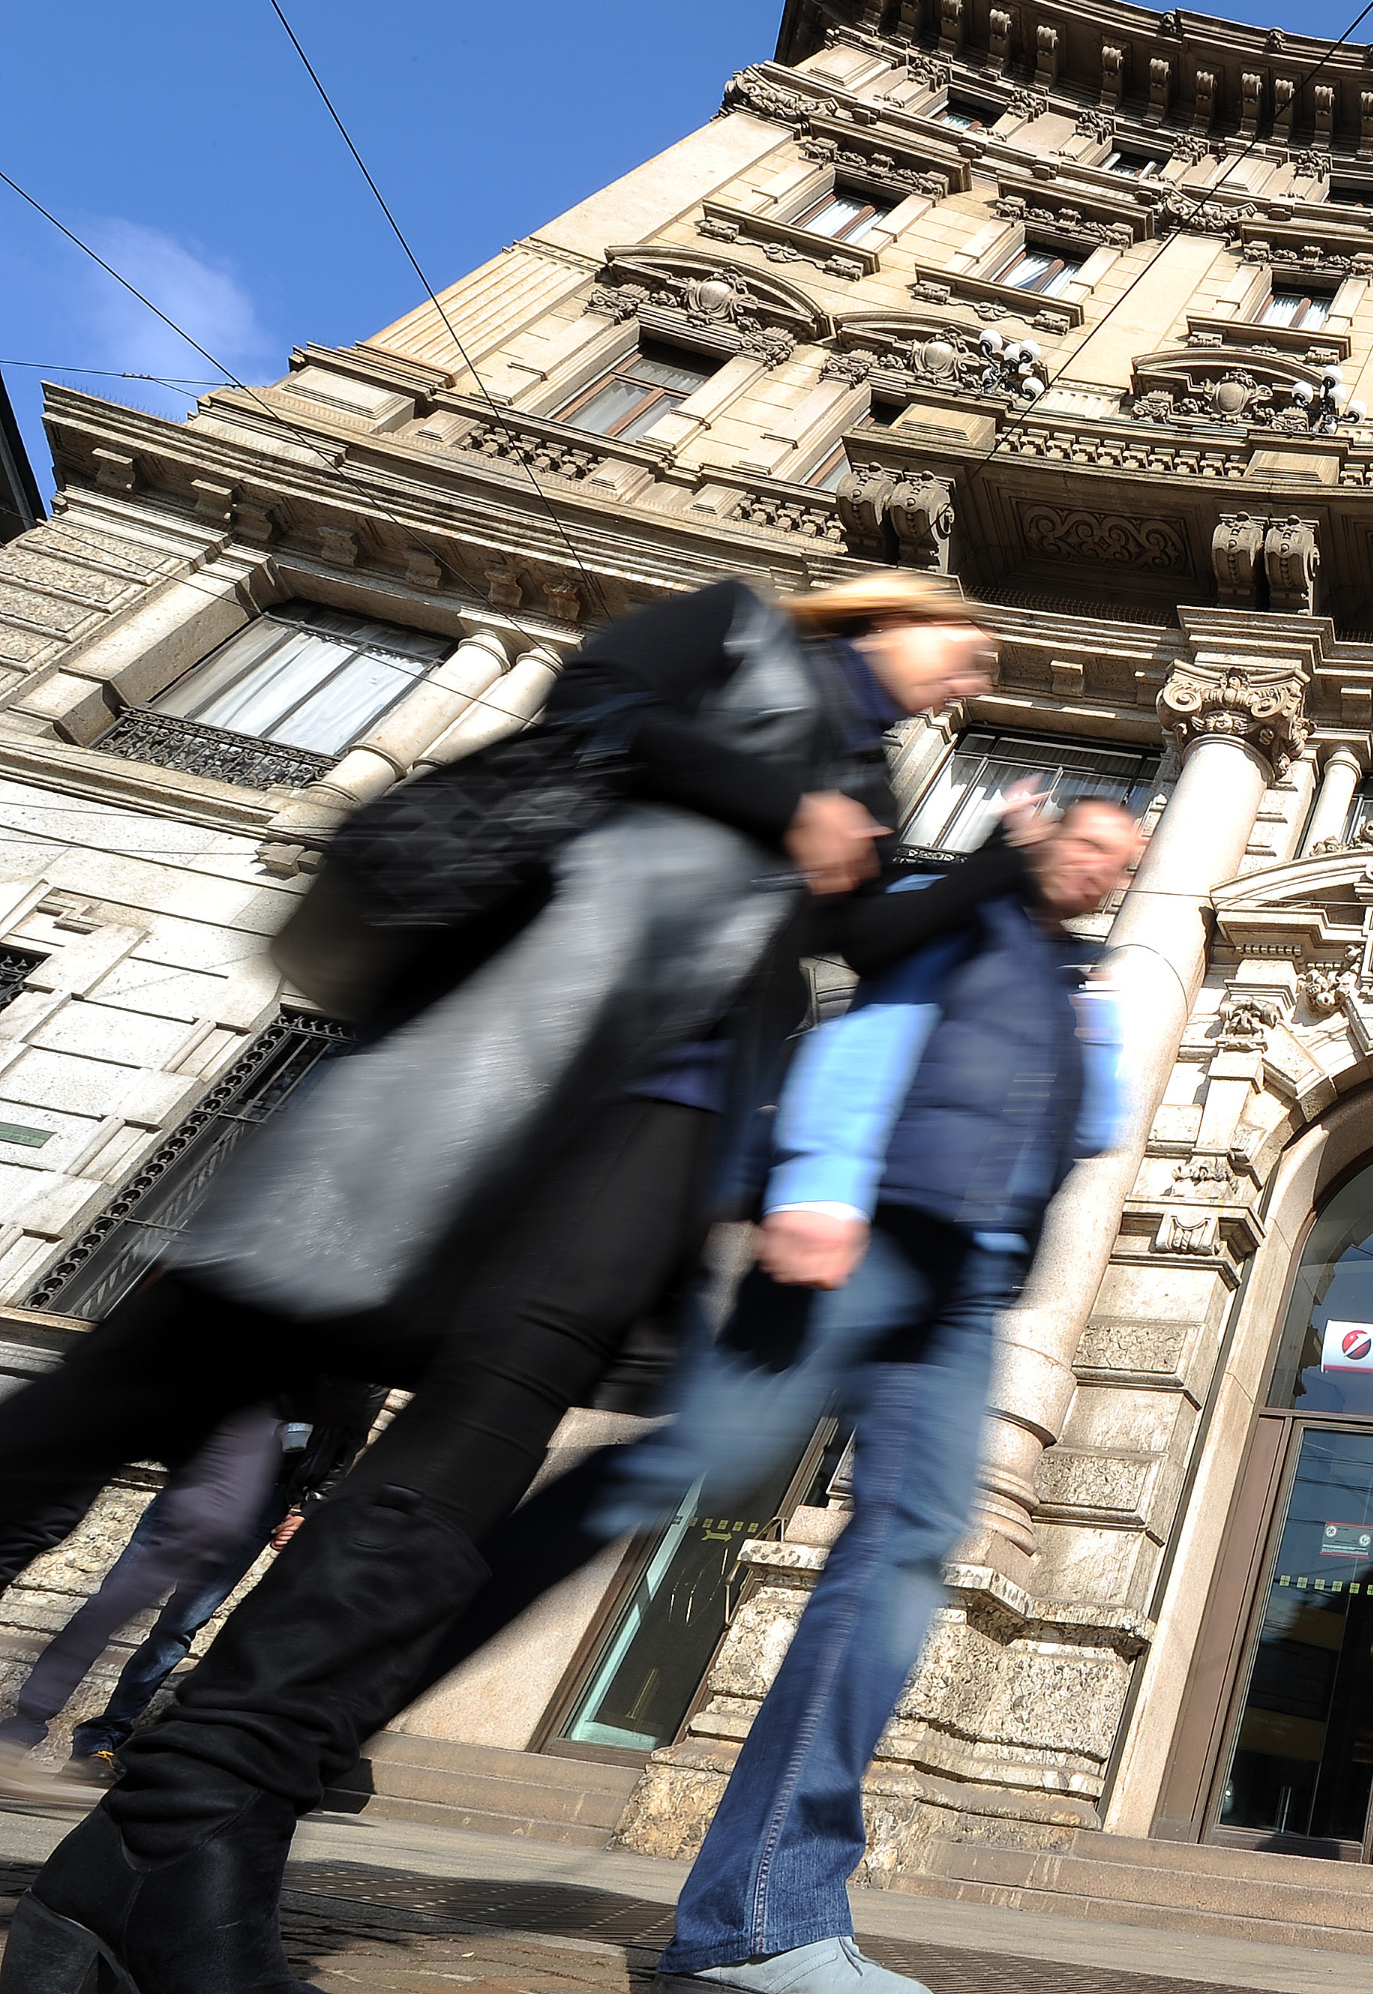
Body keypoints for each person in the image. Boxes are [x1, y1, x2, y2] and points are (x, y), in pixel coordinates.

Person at [0, 569, 993, 1994]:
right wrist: (781, 809)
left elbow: (847, 935)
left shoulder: (867, 767)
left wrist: (1005, 870)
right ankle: (153, 1849)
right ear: (884, 615)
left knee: (479, 1445)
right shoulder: (732, 630)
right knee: (163, 1369)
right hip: (510, 1039)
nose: (970, 677)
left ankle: (183, 1835)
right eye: (964, 645)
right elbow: (594, 714)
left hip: (667, 1110)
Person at [405, 790, 1142, 1994]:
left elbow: (1087, 1134)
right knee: (661, 1467)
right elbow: (866, 1036)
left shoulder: (1075, 981)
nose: (1109, 872)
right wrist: (814, 1181)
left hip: (959, 1291)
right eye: (1097, 844)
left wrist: (1093, 1023)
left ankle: (767, 1917)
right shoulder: (960, 911)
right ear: (1045, 835)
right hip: (864, 1237)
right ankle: (326, 1689)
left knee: (907, 1548)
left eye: (1127, 861)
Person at [60, 1379, 384, 1789]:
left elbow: (346, 1447)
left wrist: (308, 1509)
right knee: (107, 1606)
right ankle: (25, 1727)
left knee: (179, 1626)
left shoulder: (368, 1379)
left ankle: (100, 1741)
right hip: (208, 1479)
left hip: (270, 1498)